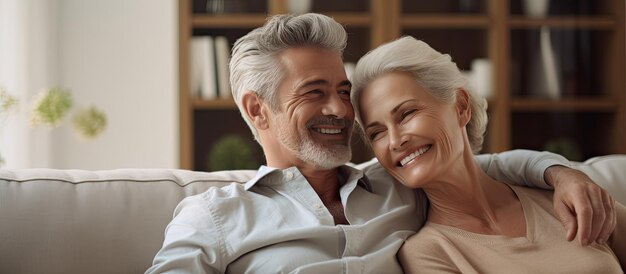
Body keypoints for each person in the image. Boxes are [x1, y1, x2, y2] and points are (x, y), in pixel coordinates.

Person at [147, 14, 616, 273]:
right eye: (315, 92)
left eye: (343, 92)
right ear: (257, 109)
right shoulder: (215, 217)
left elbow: (483, 164)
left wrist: (562, 173)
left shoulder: (395, 182)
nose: (339, 110)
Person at [350, 36, 625, 273]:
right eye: (377, 133)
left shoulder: (567, 198)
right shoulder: (431, 253)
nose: (396, 140)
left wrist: (561, 174)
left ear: (460, 107)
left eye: (407, 113)